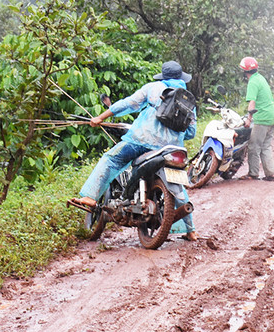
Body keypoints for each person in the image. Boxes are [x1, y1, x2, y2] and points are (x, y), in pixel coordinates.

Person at [68, 61, 198, 239]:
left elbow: (127, 104)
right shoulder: (188, 98)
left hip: (141, 140)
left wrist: (100, 117)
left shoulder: (153, 88)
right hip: (172, 148)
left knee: (112, 159)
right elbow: (191, 132)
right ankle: (191, 231)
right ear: (181, 77)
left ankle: (90, 197)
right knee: (178, 185)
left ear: (163, 75)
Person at [238, 56, 274, 182]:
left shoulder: (253, 82)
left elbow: (252, 102)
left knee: (254, 146)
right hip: (272, 117)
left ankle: (253, 173)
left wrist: (248, 119)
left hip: (262, 118)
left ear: (244, 71)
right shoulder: (261, 78)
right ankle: (271, 173)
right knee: (266, 146)